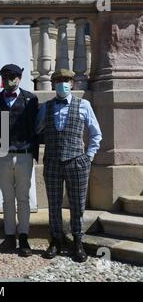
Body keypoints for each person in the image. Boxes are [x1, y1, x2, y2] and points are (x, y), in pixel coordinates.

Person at [36, 69, 102, 263]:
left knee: (78, 204)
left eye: (66, 80)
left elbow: (96, 134)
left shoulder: (84, 105)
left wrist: (88, 157)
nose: (62, 83)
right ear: (54, 83)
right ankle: (56, 239)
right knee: (54, 203)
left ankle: (78, 241)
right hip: (52, 162)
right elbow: (36, 129)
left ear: (72, 84)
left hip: (77, 162)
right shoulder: (46, 107)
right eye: (58, 80)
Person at [0, 64, 39, 256]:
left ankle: (23, 237)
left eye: (14, 76)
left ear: (20, 77)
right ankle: (9, 236)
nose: (10, 80)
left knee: (23, 198)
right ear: (1, 78)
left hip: (24, 156)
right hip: (2, 156)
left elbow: (36, 128)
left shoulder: (31, 99)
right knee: (7, 198)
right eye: (6, 76)